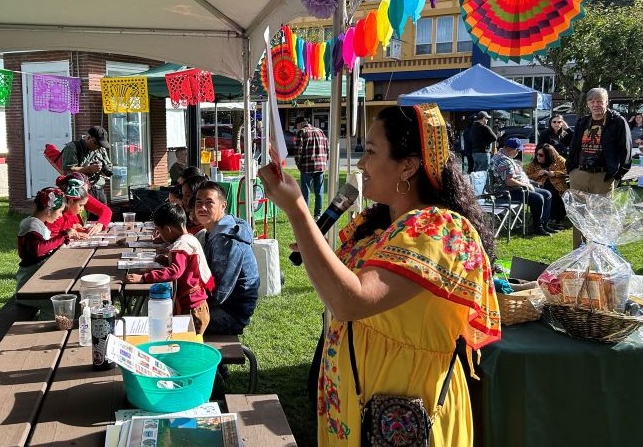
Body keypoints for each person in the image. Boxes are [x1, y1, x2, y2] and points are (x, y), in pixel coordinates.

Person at [257, 104, 500, 447]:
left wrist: (297, 211)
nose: (360, 163)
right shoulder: (379, 225)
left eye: (370, 152)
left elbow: (349, 300)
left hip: (405, 414)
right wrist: (312, 240)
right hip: (358, 404)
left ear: (408, 165)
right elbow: (334, 289)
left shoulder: (439, 228)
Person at [126, 203, 214, 335]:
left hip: (191, 309)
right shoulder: (190, 239)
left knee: (188, 344)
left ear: (167, 229)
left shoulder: (180, 246)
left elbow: (174, 272)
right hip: (198, 305)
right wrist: (166, 260)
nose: (160, 235)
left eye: (160, 231)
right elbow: (187, 267)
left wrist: (143, 278)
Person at [565, 88, 632, 248]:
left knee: (601, 217)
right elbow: (574, 146)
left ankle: (599, 251)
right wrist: (572, 170)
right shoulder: (583, 122)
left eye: (599, 101)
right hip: (579, 174)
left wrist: (616, 174)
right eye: (592, 101)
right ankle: (578, 252)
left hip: (602, 177)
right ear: (588, 104)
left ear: (607, 101)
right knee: (578, 215)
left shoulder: (617, 121)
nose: (596, 105)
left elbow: (626, 150)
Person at [194, 182, 260, 335]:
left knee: (174, 320)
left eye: (209, 202)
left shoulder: (227, 241)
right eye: (198, 202)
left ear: (223, 206)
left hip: (230, 314)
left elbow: (219, 294)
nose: (202, 207)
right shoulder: (213, 230)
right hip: (221, 307)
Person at [492, 138, 557, 236]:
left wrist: (530, 182)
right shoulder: (503, 161)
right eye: (518, 150)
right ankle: (537, 227)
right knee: (537, 198)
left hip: (517, 187)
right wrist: (526, 185)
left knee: (547, 194)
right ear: (511, 149)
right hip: (508, 191)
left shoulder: (505, 156)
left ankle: (544, 223)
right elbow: (509, 182)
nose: (518, 153)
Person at [15, 187, 68, 298]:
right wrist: (62, 237)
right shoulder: (31, 225)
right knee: (64, 298)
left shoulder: (37, 224)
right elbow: (38, 250)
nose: (60, 215)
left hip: (35, 278)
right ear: (49, 209)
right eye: (60, 211)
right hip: (29, 284)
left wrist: (63, 239)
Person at [61, 126, 113, 204]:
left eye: (100, 145)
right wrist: (88, 169)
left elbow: (108, 166)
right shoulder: (72, 148)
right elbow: (67, 171)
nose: (97, 147)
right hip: (79, 191)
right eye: (96, 143)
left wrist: (103, 170)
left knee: (103, 214)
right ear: (88, 138)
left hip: (98, 189)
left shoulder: (101, 149)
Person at [51, 173, 112, 237]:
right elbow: (53, 233)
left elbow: (106, 210)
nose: (85, 195)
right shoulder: (57, 210)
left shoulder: (82, 196)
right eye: (82, 191)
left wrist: (99, 225)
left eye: (86, 191)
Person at [293, 116, 329, 219]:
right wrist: (324, 162)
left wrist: (298, 164)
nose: (297, 128)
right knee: (319, 192)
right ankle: (318, 214)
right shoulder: (320, 131)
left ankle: (306, 215)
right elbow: (327, 148)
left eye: (297, 126)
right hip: (321, 166)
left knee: (306, 192)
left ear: (300, 124)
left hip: (307, 166)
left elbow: (298, 151)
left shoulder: (302, 132)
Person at [526, 143, 569, 226]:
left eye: (541, 155)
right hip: (540, 185)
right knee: (548, 194)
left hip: (558, 186)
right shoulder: (534, 163)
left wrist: (555, 173)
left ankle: (555, 218)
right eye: (537, 154)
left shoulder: (559, 160)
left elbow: (568, 171)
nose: (538, 157)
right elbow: (526, 175)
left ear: (548, 155)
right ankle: (546, 219)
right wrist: (537, 174)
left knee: (556, 194)